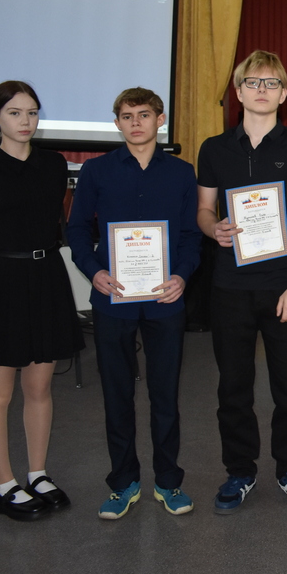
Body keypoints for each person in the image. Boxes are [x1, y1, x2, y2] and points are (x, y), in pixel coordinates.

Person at [196, 50, 287, 513]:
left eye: (271, 83)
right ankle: (240, 471)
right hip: (229, 287)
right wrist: (213, 228)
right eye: (253, 82)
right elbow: (204, 210)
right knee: (233, 387)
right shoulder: (214, 148)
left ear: (284, 94)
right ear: (238, 91)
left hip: (284, 287)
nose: (262, 90)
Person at [66, 88, 202, 519]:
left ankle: (168, 481)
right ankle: (123, 483)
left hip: (165, 299)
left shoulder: (181, 173)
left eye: (144, 115)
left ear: (160, 120)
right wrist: (94, 271)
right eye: (127, 116)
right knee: (116, 395)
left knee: (165, 395)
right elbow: (75, 229)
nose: (136, 123)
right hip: (113, 300)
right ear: (117, 123)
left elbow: (190, 235)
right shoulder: (97, 171)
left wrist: (182, 276)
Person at [0, 81, 84, 521]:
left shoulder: (54, 164)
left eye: (31, 112)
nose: (25, 121)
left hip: (46, 277)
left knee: (39, 388)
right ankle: (4, 485)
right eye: (14, 113)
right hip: (1, 283)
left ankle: (38, 474)